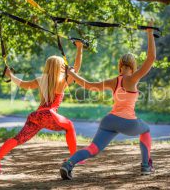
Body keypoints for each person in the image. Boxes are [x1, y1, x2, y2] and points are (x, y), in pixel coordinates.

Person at [60, 21, 156, 180]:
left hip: (109, 121)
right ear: (132, 67)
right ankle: (146, 167)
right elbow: (151, 58)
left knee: (93, 148)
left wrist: (72, 74)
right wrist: (150, 33)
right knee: (145, 130)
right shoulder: (133, 79)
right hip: (128, 122)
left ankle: (68, 164)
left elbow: (89, 86)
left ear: (120, 66)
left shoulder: (114, 81)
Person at [0, 41, 84, 174]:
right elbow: (77, 68)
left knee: (18, 138)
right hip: (50, 114)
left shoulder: (40, 80)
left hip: (36, 116)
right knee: (70, 126)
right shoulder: (62, 82)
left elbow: (22, 84)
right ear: (61, 68)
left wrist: (10, 75)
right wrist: (79, 48)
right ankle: (74, 157)